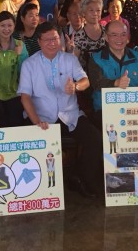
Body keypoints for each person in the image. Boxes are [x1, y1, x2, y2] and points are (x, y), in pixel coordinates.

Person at [18, 22, 103, 198]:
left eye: (55, 38)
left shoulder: (69, 59)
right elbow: (25, 97)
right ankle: (38, 190)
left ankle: (82, 178)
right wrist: (36, 122)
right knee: (34, 144)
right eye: (47, 40)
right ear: (39, 42)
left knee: (95, 139)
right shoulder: (29, 64)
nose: (52, 43)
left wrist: (76, 87)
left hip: (70, 114)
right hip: (41, 117)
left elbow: (85, 81)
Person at [88, 20, 138, 127]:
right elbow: (97, 83)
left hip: (134, 109)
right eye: (114, 35)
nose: (119, 39)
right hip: (105, 110)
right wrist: (116, 83)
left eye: (123, 35)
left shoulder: (137, 56)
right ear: (106, 38)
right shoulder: (96, 58)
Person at [73, 0, 106, 68]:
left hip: (107, 74)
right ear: (84, 13)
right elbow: (73, 61)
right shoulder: (79, 36)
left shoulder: (107, 32)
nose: (95, 13)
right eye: (91, 10)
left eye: (98, 10)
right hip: (86, 76)